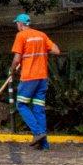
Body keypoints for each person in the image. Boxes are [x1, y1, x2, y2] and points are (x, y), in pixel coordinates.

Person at [10, 13, 60, 150]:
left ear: (20, 24)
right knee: (38, 108)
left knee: (21, 105)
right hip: (42, 77)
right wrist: (41, 50)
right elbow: (56, 50)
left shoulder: (21, 36)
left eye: (17, 23)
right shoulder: (42, 35)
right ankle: (44, 145)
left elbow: (16, 59)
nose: (17, 26)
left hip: (29, 77)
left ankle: (38, 133)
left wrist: (12, 70)